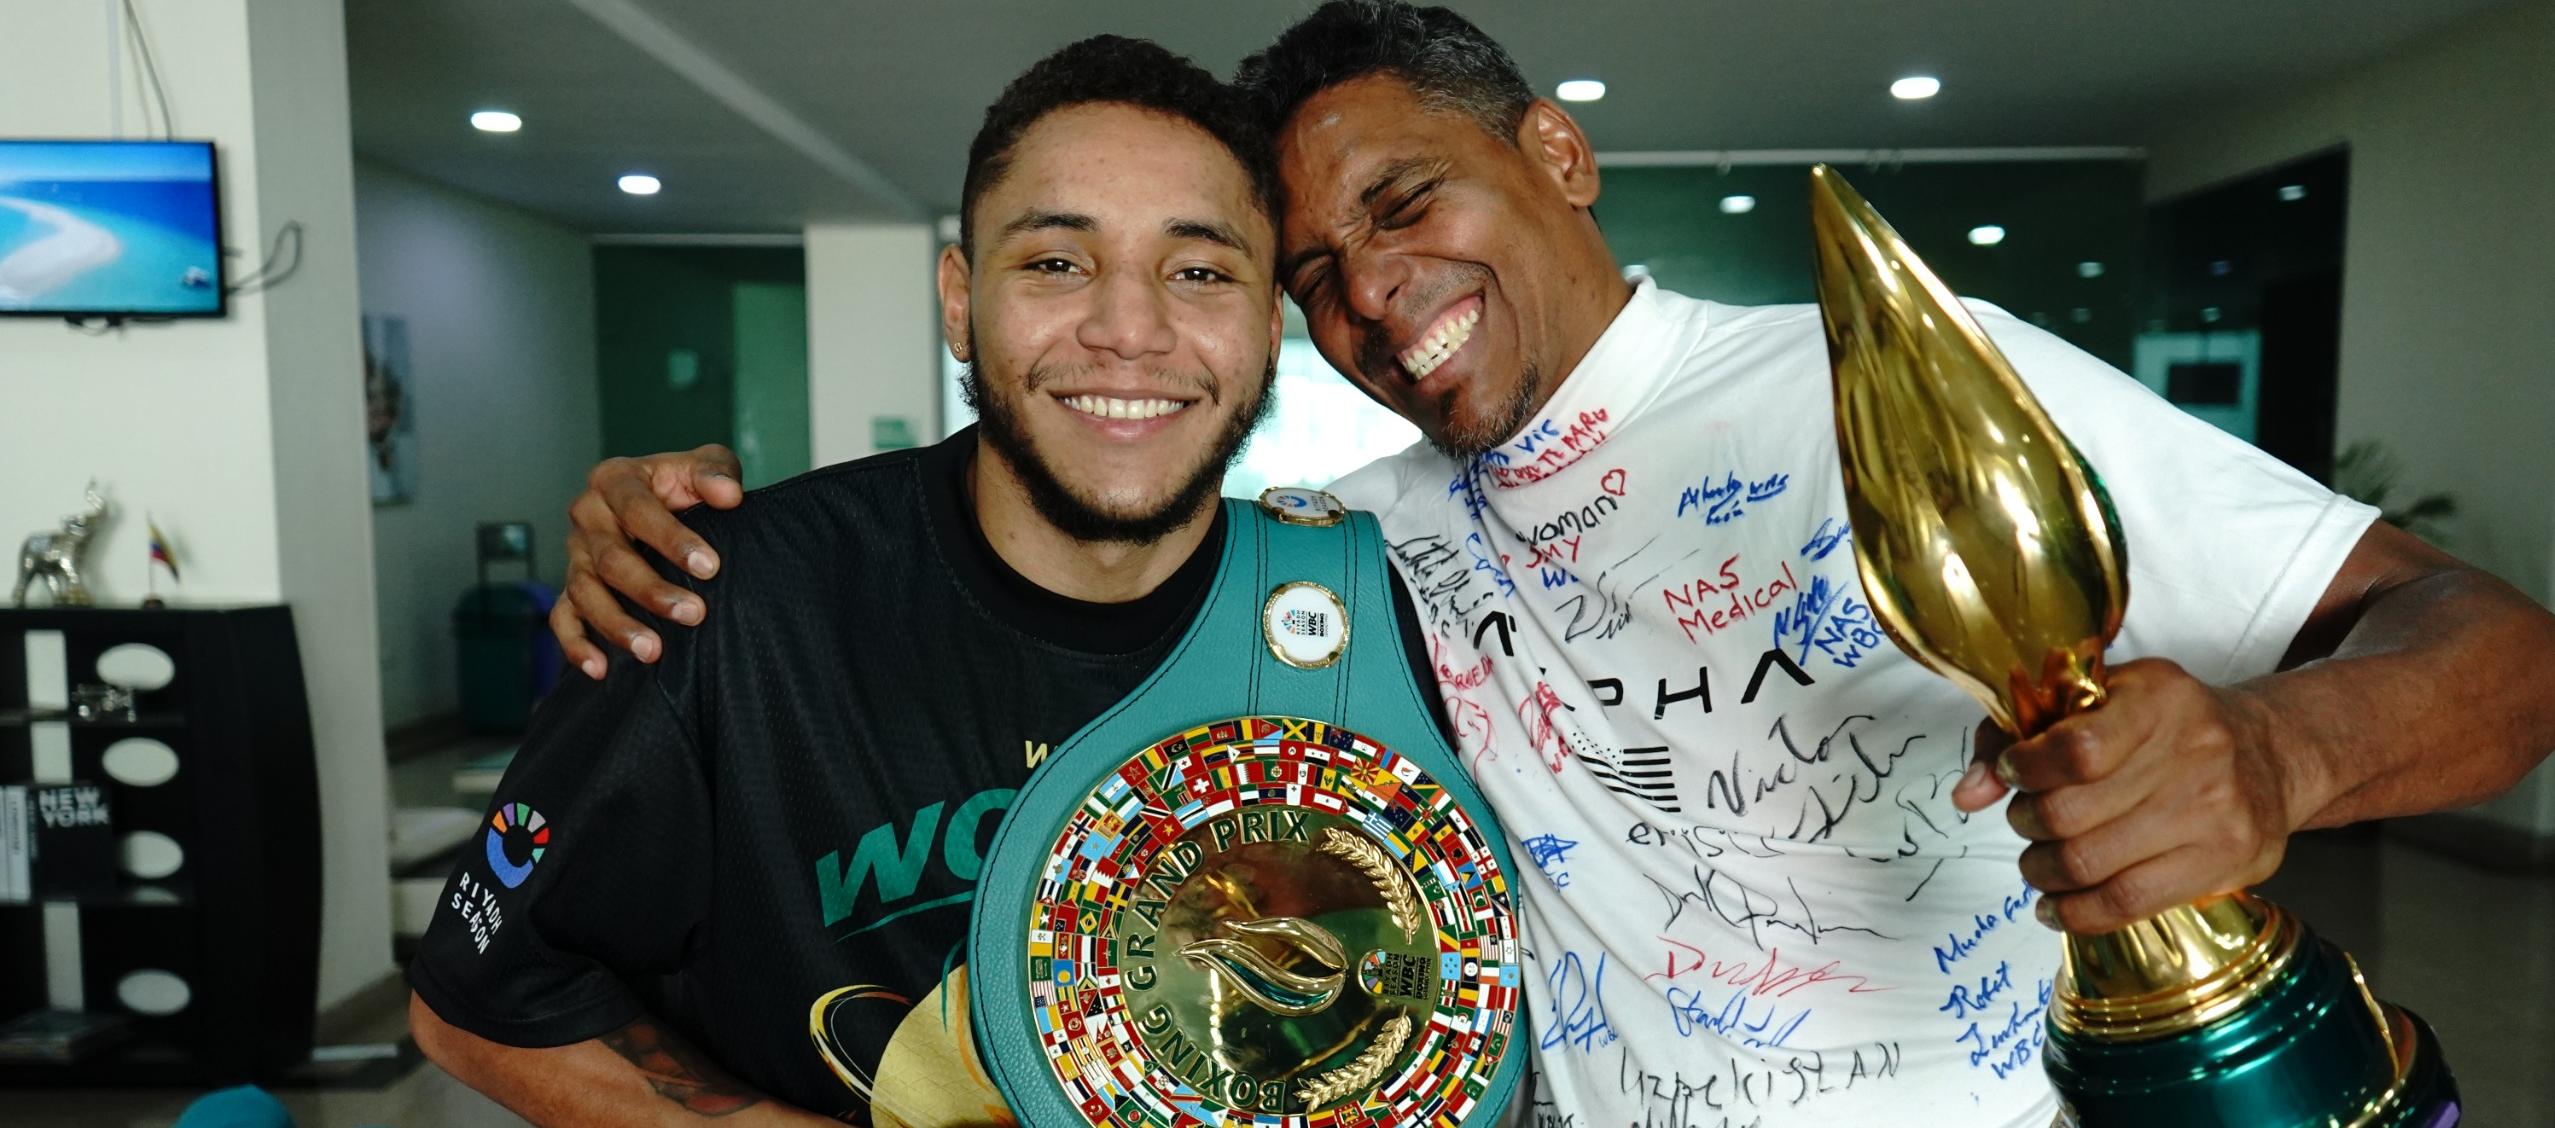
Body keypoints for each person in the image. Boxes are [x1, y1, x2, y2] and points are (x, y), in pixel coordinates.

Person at [559, 4, 2555, 1125]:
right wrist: (668, 526)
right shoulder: (1365, 547)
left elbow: (2494, 648)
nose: (1376, 298)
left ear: (1556, 153)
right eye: (1312, 274)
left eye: (1407, 204)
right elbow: (1070, 520)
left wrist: (2279, 761)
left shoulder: (1876, 387)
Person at [407, 36, 1443, 1126]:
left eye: (1198, 271)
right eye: (1055, 262)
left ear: (1263, 330)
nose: (1128, 330)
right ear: (959, 300)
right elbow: (477, 1002)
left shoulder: (1356, 620)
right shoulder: (728, 601)